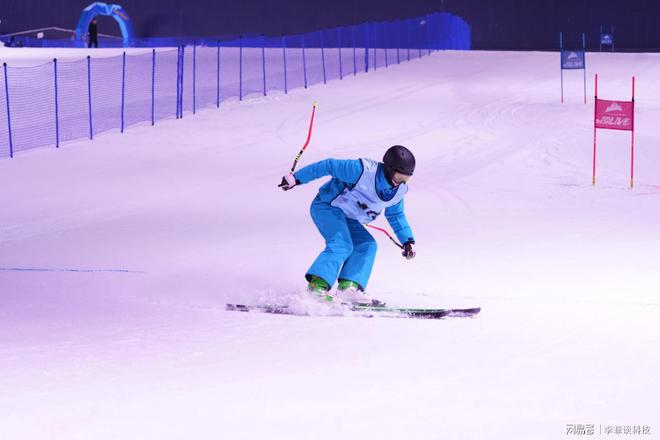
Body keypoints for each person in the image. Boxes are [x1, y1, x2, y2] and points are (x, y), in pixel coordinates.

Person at [279, 145, 416, 305]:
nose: (401, 182)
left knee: (367, 245)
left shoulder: (398, 191)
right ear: (388, 169)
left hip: (349, 218)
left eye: (406, 179)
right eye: (399, 177)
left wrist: (407, 241)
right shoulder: (362, 171)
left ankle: (348, 289)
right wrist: (296, 178)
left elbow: (395, 215)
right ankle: (317, 287)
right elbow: (329, 165)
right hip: (327, 206)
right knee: (342, 244)